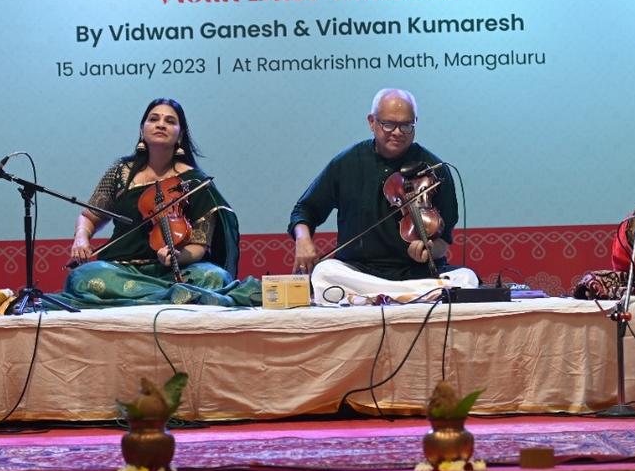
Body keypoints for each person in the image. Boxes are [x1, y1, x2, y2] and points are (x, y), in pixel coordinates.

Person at [51, 98, 259, 309]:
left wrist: (178, 257)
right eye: (154, 119)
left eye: (170, 121)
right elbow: (88, 217)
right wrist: (81, 238)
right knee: (82, 277)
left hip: (174, 272)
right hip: (121, 270)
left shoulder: (195, 181)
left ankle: (151, 297)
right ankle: (172, 296)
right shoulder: (121, 172)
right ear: (142, 130)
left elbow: (199, 245)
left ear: (180, 134)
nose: (161, 124)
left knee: (214, 276)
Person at [290, 88, 478, 303]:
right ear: (372, 122)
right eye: (388, 124)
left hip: (416, 274)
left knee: (466, 278)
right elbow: (304, 210)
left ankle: (376, 297)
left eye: (406, 125)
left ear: (415, 122)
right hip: (359, 273)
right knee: (324, 272)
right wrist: (303, 240)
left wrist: (430, 250)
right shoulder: (347, 162)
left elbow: (444, 242)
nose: (397, 132)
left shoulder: (435, 169)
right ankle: (402, 297)